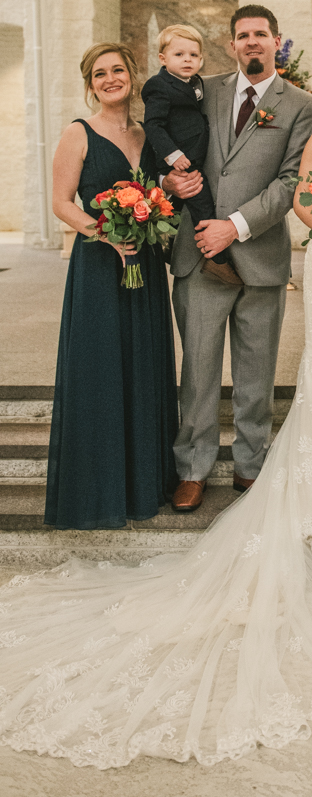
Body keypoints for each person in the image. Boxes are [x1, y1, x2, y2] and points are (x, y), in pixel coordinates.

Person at [0, 44, 312, 769]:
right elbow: (299, 190)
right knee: (229, 373)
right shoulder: (199, 96)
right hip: (289, 254)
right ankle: (200, 466)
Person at [163, 4, 312, 511]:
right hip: (199, 250)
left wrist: (236, 225)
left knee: (256, 374)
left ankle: (251, 465)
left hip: (259, 256)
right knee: (199, 370)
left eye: (260, 34)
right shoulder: (202, 91)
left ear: (277, 40)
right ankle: (193, 466)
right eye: (242, 35)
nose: (251, 42)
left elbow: (294, 179)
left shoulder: (301, 105)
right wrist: (169, 179)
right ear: (231, 44)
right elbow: (167, 139)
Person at [45, 42, 178, 530]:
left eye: (117, 70)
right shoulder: (77, 134)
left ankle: (144, 481)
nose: (109, 79)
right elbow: (61, 202)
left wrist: (159, 211)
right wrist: (105, 232)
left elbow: (161, 193)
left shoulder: (148, 135)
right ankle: (100, 489)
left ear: (132, 75)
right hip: (100, 269)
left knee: (142, 365)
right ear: (90, 84)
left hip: (142, 269)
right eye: (99, 74)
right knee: (101, 369)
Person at [142, 23, 241, 287]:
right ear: (162, 59)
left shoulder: (195, 83)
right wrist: (172, 156)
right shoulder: (159, 86)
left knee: (176, 208)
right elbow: (153, 125)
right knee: (203, 207)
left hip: (195, 158)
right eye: (179, 54)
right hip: (181, 163)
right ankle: (216, 260)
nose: (187, 59)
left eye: (193, 55)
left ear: (201, 59)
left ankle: (167, 245)